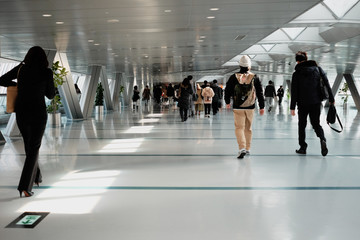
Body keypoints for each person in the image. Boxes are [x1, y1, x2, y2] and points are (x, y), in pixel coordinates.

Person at [0, 46, 55, 197]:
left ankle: (36, 177)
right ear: (44, 58)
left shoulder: (21, 69)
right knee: (34, 148)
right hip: (38, 114)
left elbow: (2, 79)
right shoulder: (46, 72)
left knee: (29, 147)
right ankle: (24, 186)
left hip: (22, 114)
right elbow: (50, 95)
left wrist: (18, 86)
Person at [290, 51, 334, 156]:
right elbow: (326, 84)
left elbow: (294, 91)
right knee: (315, 124)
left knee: (302, 125)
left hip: (302, 103)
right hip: (316, 102)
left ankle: (303, 147)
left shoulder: (296, 73)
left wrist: (292, 107)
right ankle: (322, 139)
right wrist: (331, 98)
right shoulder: (318, 69)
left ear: (297, 61)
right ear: (306, 58)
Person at [225, 55, 265, 159]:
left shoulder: (234, 77)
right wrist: (262, 106)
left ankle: (241, 148)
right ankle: (247, 148)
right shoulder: (254, 77)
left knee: (239, 127)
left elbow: (228, 90)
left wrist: (227, 101)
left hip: (238, 106)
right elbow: (260, 92)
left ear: (240, 65)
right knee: (248, 128)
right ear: (249, 66)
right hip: (250, 106)